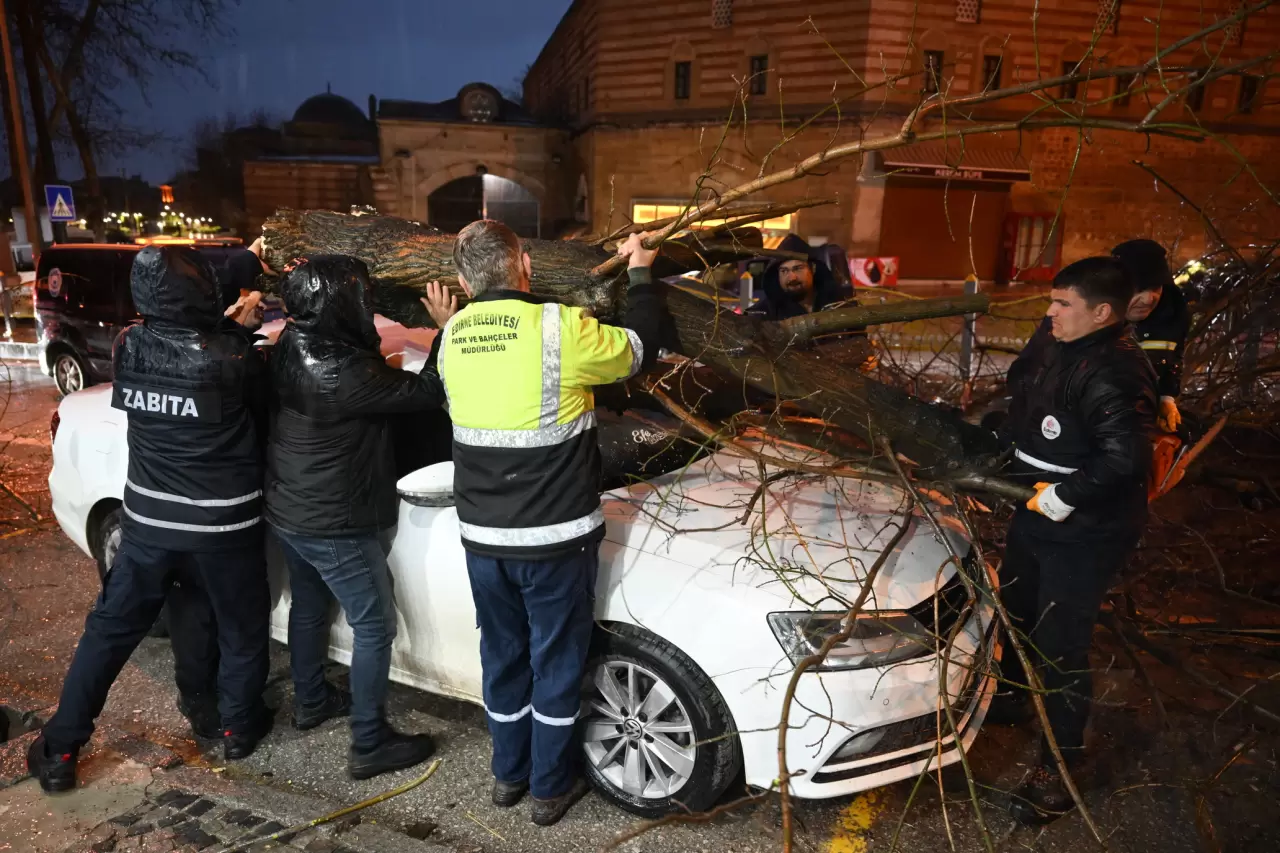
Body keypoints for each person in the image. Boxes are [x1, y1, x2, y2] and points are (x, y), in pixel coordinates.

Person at [438, 220, 664, 826]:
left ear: (462, 282)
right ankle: (548, 788)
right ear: (527, 267)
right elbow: (645, 347)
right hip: (555, 539)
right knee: (557, 662)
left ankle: (507, 776)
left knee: (504, 658)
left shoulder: (452, 335)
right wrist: (640, 269)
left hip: (484, 541)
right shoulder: (559, 330)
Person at [28, 246, 273, 792]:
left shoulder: (129, 346)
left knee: (110, 634)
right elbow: (240, 374)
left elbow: (193, 328)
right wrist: (242, 324)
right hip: (222, 528)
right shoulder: (234, 361)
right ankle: (236, 725)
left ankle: (60, 748)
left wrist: (245, 264)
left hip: (148, 527)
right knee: (240, 627)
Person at [265, 254, 456, 781]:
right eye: (360, 298)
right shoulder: (343, 369)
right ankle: (369, 742)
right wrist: (445, 331)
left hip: (289, 506)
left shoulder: (292, 343)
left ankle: (310, 700)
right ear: (340, 306)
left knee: (309, 603)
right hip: (332, 519)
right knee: (375, 625)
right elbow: (427, 392)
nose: (368, 305)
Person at [993, 256, 1158, 825]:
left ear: (1102, 313)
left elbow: (1126, 457)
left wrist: (1066, 497)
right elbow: (1027, 386)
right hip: (1034, 506)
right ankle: (1012, 695)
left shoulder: (1112, 369)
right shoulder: (1058, 337)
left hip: (1085, 528)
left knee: (1060, 646)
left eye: (1063, 304)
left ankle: (1058, 768)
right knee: (1013, 604)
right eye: (1052, 300)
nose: (1050, 312)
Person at [1112, 239, 1190, 433]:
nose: (1149, 299)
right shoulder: (1084, 321)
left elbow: (1172, 359)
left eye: (1156, 288)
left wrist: (1166, 398)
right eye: (1139, 289)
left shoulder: (1173, 314)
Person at [747, 233, 847, 321]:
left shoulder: (839, 305)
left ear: (813, 268)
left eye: (798, 268)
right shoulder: (763, 314)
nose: (792, 278)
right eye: (784, 271)